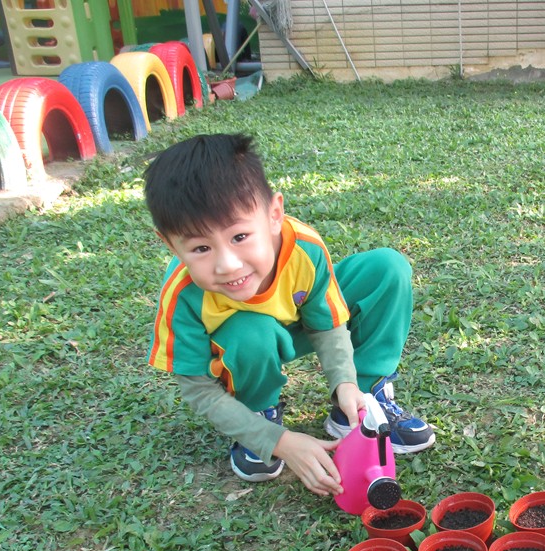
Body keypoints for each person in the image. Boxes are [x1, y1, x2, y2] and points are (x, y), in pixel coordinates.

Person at [144, 133, 434, 493]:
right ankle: (258, 415)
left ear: (274, 214)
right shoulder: (182, 293)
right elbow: (199, 390)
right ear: (170, 244)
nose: (227, 264)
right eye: (201, 248)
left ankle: (360, 403)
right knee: (249, 330)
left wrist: (345, 382)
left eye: (239, 237)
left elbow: (327, 324)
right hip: (243, 345)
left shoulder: (304, 248)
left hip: (297, 324)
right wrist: (277, 441)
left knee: (386, 268)